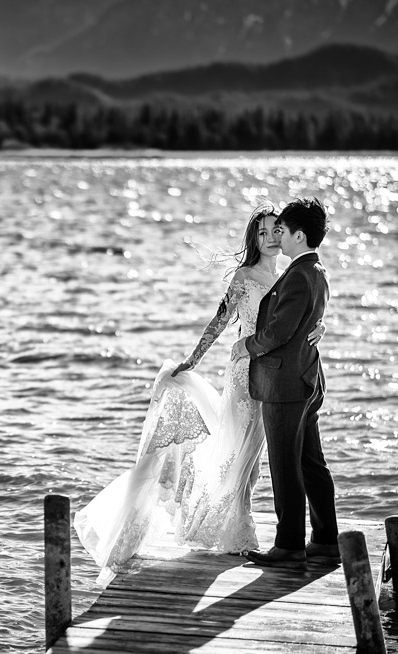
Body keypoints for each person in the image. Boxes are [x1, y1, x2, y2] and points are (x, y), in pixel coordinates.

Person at [74, 203, 324, 585]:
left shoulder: (292, 272)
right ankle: (237, 528)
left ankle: (244, 527)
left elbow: (303, 312)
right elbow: (221, 319)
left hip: (280, 376)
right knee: (240, 452)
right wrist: (194, 357)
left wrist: (318, 327)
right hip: (246, 371)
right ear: (253, 240)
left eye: (277, 230)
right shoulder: (245, 276)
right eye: (263, 232)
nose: (271, 237)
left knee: (260, 456)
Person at [232, 197, 340, 568]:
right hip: (307, 379)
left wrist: (247, 344)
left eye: (283, 230)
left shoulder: (297, 275)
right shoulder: (316, 271)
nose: (279, 236)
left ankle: (289, 544)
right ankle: (325, 540)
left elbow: (278, 331)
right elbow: (304, 321)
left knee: (285, 464)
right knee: (311, 461)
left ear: (299, 235)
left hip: (285, 385)